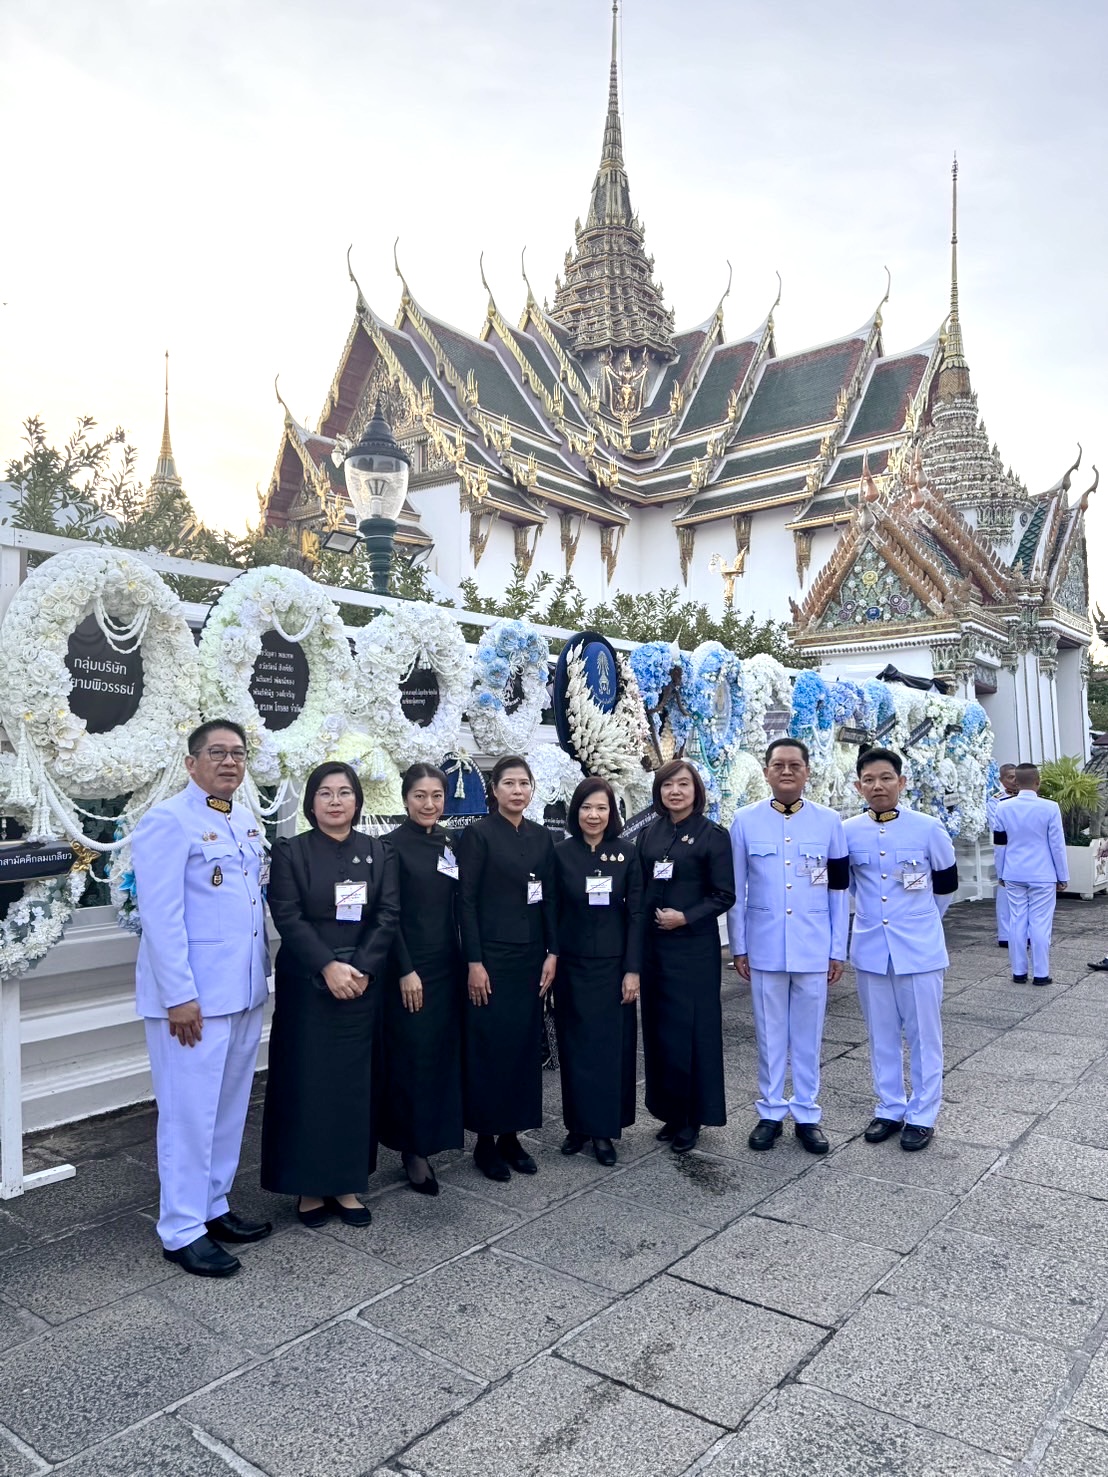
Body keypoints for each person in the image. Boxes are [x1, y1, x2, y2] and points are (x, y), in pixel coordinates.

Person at [132, 720, 271, 1278]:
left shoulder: (241, 817)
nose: (229, 762)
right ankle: (181, 1228)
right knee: (188, 1116)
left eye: (237, 753)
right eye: (217, 753)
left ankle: (213, 1206)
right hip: (192, 1003)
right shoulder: (168, 821)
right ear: (191, 762)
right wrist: (179, 996)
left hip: (240, 991)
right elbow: (160, 918)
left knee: (227, 1110)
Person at [260, 762, 399, 1227]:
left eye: (344, 792)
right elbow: (287, 914)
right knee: (307, 1083)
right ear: (311, 802)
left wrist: (360, 968)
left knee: (353, 1086)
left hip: (361, 986)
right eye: (325, 793)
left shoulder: (379, 853)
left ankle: (346, 1182)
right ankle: (308, 1186)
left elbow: (387, 915)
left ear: (358, 801)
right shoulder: (291, 853)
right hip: (308, 986)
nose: (335, 801)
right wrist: (327, 965)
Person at [727, 738, 849, 1156]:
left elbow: (838, 889)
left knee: (809, 1034)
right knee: (769, 1031)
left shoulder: (829, 822)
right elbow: (737, 890)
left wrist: (838, 950)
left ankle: (808, 1114)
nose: (786, 771)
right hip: (764, 945)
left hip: (814, 945)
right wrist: (738, 946)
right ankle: (771, 1111)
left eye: (794, 765)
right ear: (765, 772)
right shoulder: (744, 821)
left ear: (807, 771)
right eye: (777, 765)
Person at [845, 747, 958, 1153]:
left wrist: (921, 919)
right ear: (859, 786)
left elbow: (945, 886)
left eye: (886, 778)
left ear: (901, 782)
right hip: (873, 946)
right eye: (869, 780)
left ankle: (923, 1115)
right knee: (881, 1034)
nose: (878, 786)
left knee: (925, 1035)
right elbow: (851, 888)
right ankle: (889, 1106)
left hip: (919, 949)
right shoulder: (848, 830)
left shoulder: (927, 828)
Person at [457, 755, 558, 1181]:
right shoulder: (478, 836)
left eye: (524, 783)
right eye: (509, 784)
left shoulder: (541, 837)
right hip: (492, 958)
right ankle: (485, 1141)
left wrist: (553, 952)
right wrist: (474, 961)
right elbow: (465, 901)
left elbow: (550, 898)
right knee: (489, 1048)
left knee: (522, 1046)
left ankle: (513, 1136)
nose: (517, 791)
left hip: (531, 956)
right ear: (493, 790)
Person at [637, 759, 736, 1154]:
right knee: (660, 1032)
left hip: (693, 949)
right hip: (654, 949)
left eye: (683, 785)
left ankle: (693, 1116)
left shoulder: (712, 835)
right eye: (667, 786)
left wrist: (686, 917)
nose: (674, 792)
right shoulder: (649, 832)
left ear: (696, 790)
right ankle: (669, 1112)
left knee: (692, 1032)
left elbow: (724, 894)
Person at [380, 764, 465, 1195]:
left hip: (447, 964)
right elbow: (387, 915)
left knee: (438, 1055)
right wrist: (404, 969)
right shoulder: (390, 847)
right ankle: (412, 1150)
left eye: (436, 796)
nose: (429, 804)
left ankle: (434, 1138)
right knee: (411, 1058)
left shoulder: (449, 841)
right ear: (405, 798)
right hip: (410, 967)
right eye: (420, 795)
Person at [553, 777, 643, 1166]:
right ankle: (577, 1125)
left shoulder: (626, 853)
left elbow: (637, 914)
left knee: (609, 1050)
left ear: (612, 813)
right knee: (574, 1047)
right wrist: (551, 956)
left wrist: (632, 970)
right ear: (576, 811)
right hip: (572, 965)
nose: (594, 815)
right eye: (587, 807)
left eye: (602, 808)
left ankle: (604, 1130)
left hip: (613, 967)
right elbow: (551, 911)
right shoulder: (560, 854)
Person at [994, 762, 1067, 986]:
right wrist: (1062, 875)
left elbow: (999, 845)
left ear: (1016, 780)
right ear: (1038, 781)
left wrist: (1001, 873)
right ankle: (1041, 974)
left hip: (1014, 872)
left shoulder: (1002, 807)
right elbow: (1057, 844)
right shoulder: (1050, 807)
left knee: (1017, 921)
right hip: (1043, 873)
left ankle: (1018, 972)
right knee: (1040, 923)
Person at [988, 763, 1019, 948]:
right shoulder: (996, 801)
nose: (1014, 781)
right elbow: (997, 828)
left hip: (1025, 851)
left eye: (1017, 777)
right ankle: (1005, 935)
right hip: (1006, 850)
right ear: (1001, 780)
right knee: (1005, 893)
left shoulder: (1029, 797)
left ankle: (1027, 934)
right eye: (1010, 777)